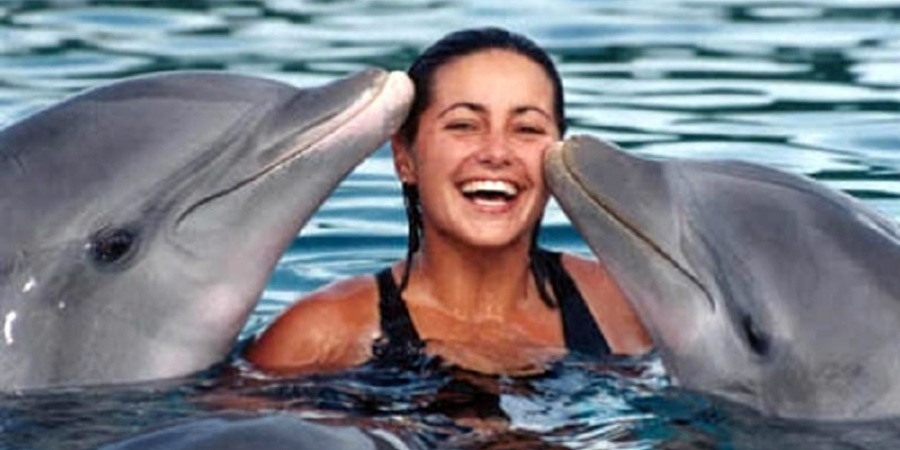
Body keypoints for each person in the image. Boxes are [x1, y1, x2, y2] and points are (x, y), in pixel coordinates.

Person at [245, 27, 651, 376]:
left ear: (559, 156)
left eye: (527, 129)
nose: (496, 153)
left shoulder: (627, 305)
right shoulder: (320, 335)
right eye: (463, 125)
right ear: (404, 158)